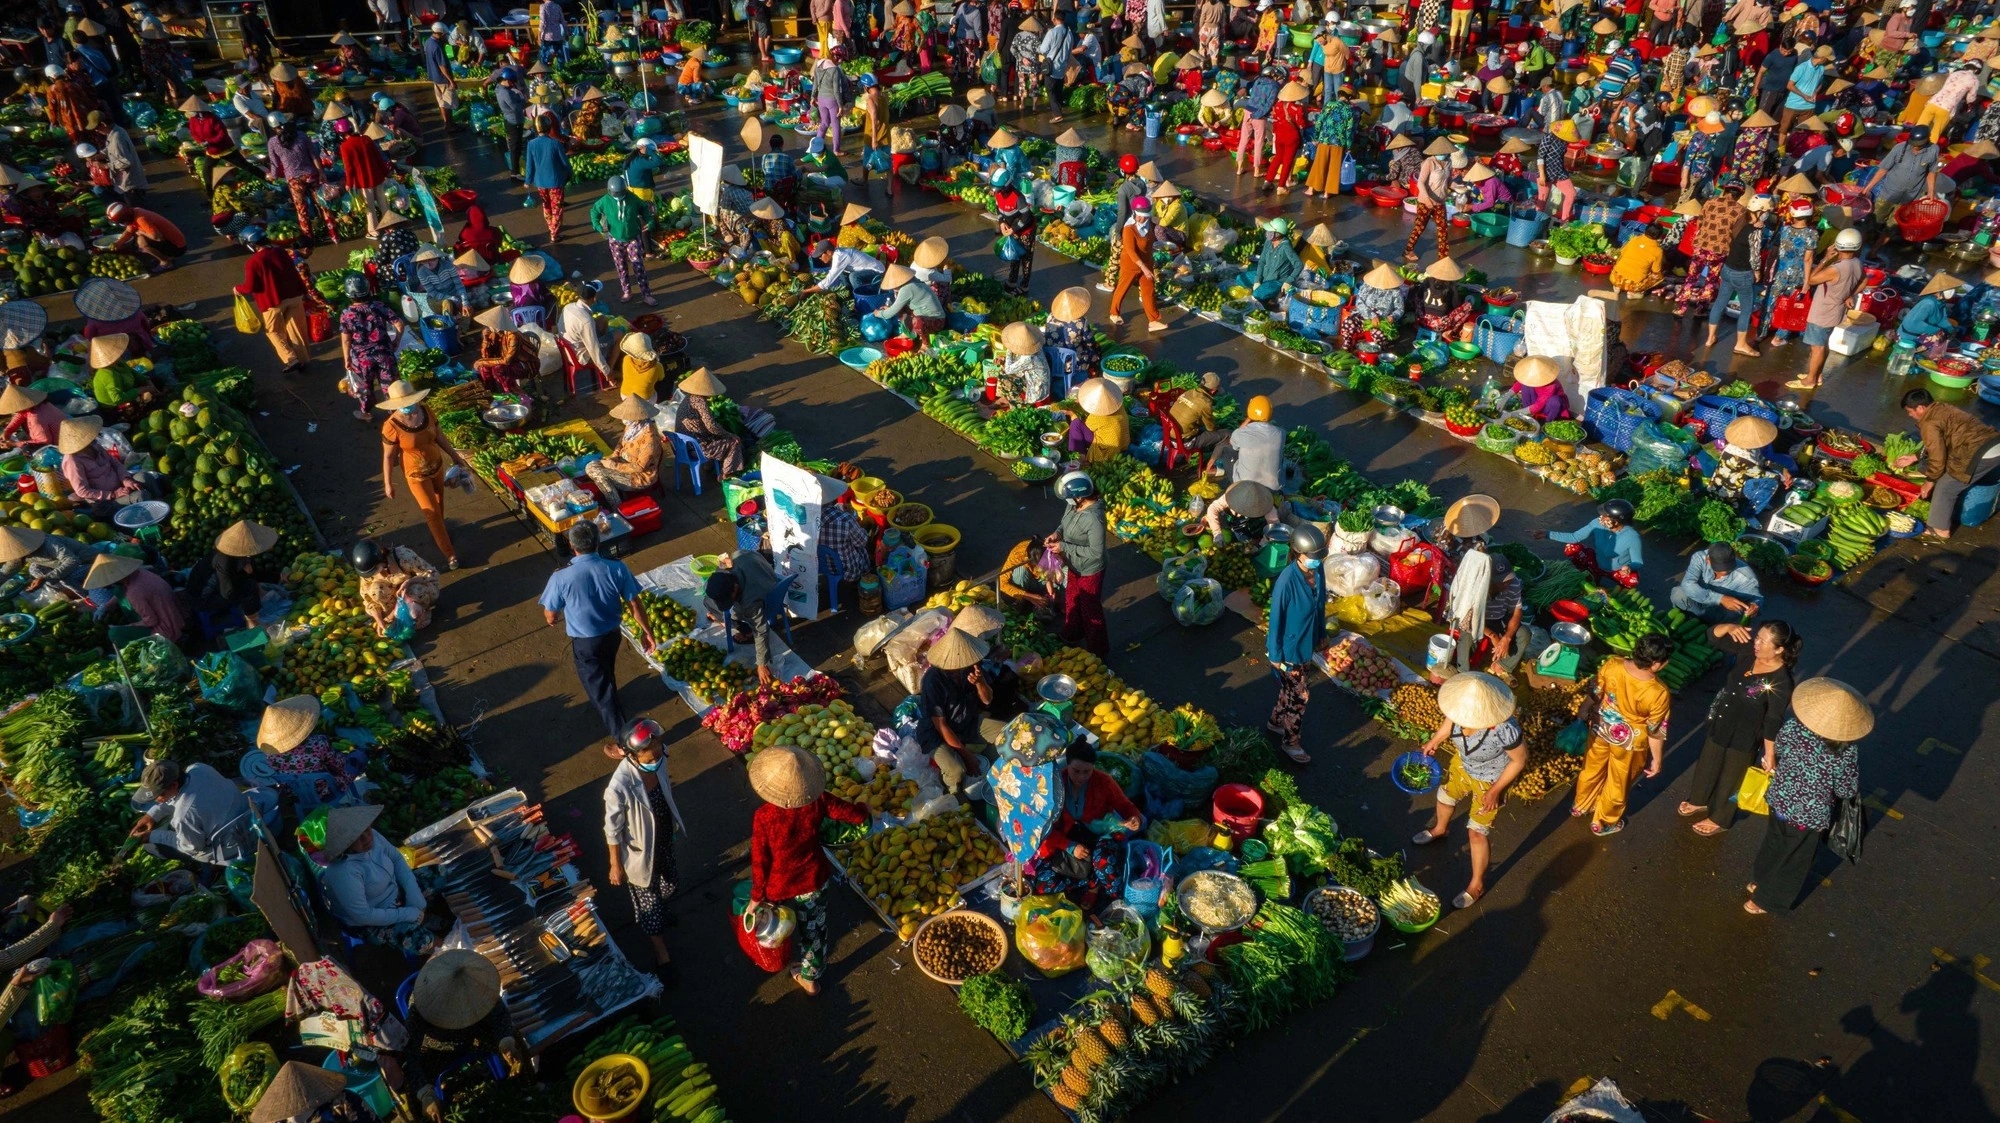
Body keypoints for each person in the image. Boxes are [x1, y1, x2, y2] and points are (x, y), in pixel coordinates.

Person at [748, 745, 865, 994]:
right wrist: (864, 810)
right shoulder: (817, 801)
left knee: (776, 925)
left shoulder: (764, 816)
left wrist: (757, 896)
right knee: (813, 930)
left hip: (778, 885)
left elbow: (761, 860)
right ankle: (810, 978)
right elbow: (851, 814)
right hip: (812, 879)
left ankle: (782, 957)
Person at [1746, 678, 1868, 914]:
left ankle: (1758, 881)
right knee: (1794, 858)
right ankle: (1765, 900)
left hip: (1779, 799)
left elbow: (1779, 750)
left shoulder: (1794, 727)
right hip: (1808, 816)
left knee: (1774, 842)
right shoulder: (1845, 749)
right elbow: (1846, 789)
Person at [1678, 618, 1799, 837]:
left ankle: (1720, 818)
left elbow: (1773, 719)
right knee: (1708, 763)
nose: (1757, 643)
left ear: (1779, 649)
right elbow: (1712, 637)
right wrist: (1729, 627)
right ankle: (1699, 800)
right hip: (1722, 719)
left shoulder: (1782, 681)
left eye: (1763, 641)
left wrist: (1769, 754)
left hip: (1746, 734)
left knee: (1732, 778)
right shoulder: (1748, 652)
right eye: (1758, 637)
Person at [1414, 671, 1527, 907]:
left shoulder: (1504, 729)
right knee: (1445, 796)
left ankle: (1477, 884)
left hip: (1492, 779)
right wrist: (1433, 742)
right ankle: (1440, 829)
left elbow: (1519, 761)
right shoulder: (1458, 710)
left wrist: (1496, 791)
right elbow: (1447, 727)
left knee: (1477, 831)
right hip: (1463, 766)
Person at [542, 521, 655, 747]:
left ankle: (624, 742)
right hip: (612, 636)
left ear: (572, 546)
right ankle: (610, 695)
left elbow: (550, 614)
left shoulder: (561, 577)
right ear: (598, 542)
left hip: (585, 644)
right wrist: (647, 632)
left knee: (600, 692)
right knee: (606, 670)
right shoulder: (616, 568)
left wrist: (554, 618)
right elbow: (634, 603)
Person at [1570, 633, 1675, 837]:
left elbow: (1596, 690)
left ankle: (1581, 804)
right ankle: (1603, 821)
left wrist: (1584, 709)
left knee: (1591, 767)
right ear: (1655, 664)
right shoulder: (1658, 692)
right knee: (1618, 780)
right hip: (1628, 742)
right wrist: (1657, 759)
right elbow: (1655, 730)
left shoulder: (1613, 664)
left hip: (1600, 727)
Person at [603, 717, 685, 976]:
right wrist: (615, 865)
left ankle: (662, 910)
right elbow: (612, 830)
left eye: (659, 752)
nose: (657, 760)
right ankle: (662, 955)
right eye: (650, 758)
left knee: (668, 882)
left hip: (662, 839)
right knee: (649, 905)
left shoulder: (659, 756)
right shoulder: (618, 787)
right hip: (638, 854)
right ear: (632, 756)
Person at [401, 951, 521, 1121]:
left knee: (516, 1045)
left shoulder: (478, 983)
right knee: (411, 1088)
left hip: (474, 1033)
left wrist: (506, 1043)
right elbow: (409, 1052)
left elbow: (499, 1015)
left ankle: (522, 1091)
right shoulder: (422, 1005)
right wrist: (425, 1094)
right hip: (437, 1046)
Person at [1022, 740, 1143, 906]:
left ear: (1094, 767)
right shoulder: (1054, 784)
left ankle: (1099, 888)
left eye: (1087, 771)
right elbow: (1042, 827)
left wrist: (1134, 818)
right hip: (1068, 838)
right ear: (1067, 765)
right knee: (1042, 883)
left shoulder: (1104, 782)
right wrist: (1070, 846)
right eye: (1076, 771)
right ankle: (1092, 881)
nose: (1081, 777)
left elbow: (1125, 806)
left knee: (1104, 863)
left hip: (1100, 836)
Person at [311, 803, 435, 954]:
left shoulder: (373, 836)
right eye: (357, 837)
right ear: (345, 844)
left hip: (394, 892)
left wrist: (412, 892)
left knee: (440, 871)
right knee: (423, 941)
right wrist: (408, 913)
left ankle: (424, 919)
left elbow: (396, 858)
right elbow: (364, 915)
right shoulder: (343, 872)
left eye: (367, 829)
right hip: (370, 920)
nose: (366, 838)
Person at [1265, 523, 1330, 765]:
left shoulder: (1318, 569)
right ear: (1297, 553)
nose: (1316, 561)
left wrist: (1321, 633)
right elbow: (1276, 619)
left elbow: (1319, 604)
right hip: (1289, 650)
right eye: (1311, 557)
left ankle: (1274, 723)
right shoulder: (1286, 581)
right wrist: (1275, 653)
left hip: (1307, 643)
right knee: (1300, 696)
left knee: (1290, 691)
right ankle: (1291, 742)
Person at [1897, 387, 2000, 540]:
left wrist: (1930, 481)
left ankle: (1940, 529)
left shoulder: (1929, 423)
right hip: (1993, 443)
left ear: (1920, 408)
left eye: (1910, 411)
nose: (1909, 415)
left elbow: (1938, 456)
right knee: (1944, 475)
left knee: (1945, 487)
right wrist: (1915, 456)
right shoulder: (1942, 408)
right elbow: (1940, 444)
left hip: (1981, 453)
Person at [919, 626, 1005, 793]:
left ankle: (992, 766)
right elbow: (941, 727)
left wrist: (980, 682)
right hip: (936, 735)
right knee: (957, 771)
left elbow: (987, 700)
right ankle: (954, 793)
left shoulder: (971, 667)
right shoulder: (933, 681)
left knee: (1006, 733)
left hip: (966, 723)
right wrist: (968, 757)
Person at [128, 759, 253, 873]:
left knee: (152, 847)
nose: (157, 800)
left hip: (234, 843)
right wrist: (152, 815)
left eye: (159, 795)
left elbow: (191, 848)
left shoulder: (183, 817)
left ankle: (216, 864)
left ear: (174, 785)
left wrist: (152, 836)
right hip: (248, 815)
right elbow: (184, 796)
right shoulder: (198, 768)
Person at [1789, 227, 1866, 391]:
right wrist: (1849, 294)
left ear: (1837, 246)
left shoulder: (1835, 269)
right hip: (1836, 311)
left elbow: (1810, 280)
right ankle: (1817, 375)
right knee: (1824, 343)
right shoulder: (1857, 263)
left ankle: (1810, 380)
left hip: (1822, 313)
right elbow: (1865, 281)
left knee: (1817, 347)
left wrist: (1825, 259)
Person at [1048, 471, 1108, 655]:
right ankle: (1072, 633)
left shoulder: (1094, 519)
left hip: (1090, 570)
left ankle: (1098, 651)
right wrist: (1056, 534)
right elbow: (1063, 524)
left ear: (1080, 496)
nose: (1068, 501)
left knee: (1090, 610)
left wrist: (1064, 546)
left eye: (1070, 497)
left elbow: (1096, 553)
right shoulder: (1074, 506)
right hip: (1073, 565)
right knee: (1072, 599)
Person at [239, 229, 310, 372]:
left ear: (252, 244)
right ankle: (303, 360)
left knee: (274, 332)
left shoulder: (252, 262)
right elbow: (294, 273)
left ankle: (291, 359)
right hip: (294, 296)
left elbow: (250, 286)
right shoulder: (281, 252)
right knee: (297, 330)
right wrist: (305, 291)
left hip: (272, 303)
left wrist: (238, 289)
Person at [190, 519, 276, 637]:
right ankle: (253, 623)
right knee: (249, 587)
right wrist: (245, 577)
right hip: (204, 599)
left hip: (222, 587)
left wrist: (279, 577)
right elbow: (228, 592)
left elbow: (254, 572)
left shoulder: (240, 555)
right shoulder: (223, 561)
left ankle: (254, 608)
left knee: (250, 582)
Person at [336, 275, 401, 419]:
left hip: (361, 359)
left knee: (364, 387)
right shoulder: (379, 306)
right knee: (390, 385)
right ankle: (395, 415)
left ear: (348, 295)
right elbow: (399, 324)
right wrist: (396, 340)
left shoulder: (346, 314)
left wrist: (347, 359)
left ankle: (366, 413)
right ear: (368, 290)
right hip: (384, 353)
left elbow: (346, 340)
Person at [1539, 499, 1644, 587]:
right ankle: (1589, 572)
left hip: (1616, 570)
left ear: (1615, 521)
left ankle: (1615, 589)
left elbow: (1637, 561)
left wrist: (1629, 567)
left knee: (1632, 581)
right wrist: (1547, 534)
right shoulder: (1597, 523)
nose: (1600, 518)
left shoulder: (1632, 537)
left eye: (1604, 516)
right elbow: (1574, 537)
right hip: (1596, 562)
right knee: (1571, 547)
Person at [352, 538, 439, 638]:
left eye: (375, 569)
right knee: (376, 590)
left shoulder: (403, 557)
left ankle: (424, 613)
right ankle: (397, 615)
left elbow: (432, 573)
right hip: (394, 598)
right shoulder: (367, 573)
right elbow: (367, 599)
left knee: (414, 597)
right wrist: (379, 619)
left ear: (381, 559)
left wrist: (409, 581)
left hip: (416, 592)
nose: (374, 574)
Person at [58, 416, 145, 514]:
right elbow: (82, 491)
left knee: (145, 477)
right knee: (140, 496)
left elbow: (115, 463)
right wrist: (113, 494)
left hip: (122, 487)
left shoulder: (95, 446)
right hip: (104, 501)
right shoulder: (72, 461)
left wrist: (126, 479)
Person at [587, 396, 664, 501]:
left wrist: (613, 465)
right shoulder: (631, 427)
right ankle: (612, 496)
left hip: (639, 476)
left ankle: (616, 505)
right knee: (591, 466)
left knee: (598, 473)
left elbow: (640, 467)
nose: (624, 419)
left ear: (637, 418)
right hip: (622, 462)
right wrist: (614, 456)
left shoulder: (650, 438)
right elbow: (620, 444)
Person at [673, 366, 746, 477]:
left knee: (714, 437)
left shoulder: (688, 398)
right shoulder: (699, 401)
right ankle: (727, 474)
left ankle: (709, 466)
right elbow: (711, 426)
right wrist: (730, 435)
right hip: (695, 448)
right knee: (733, 443)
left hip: (681, 445)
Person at [1673, 541, 1763, 623]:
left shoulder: (1746, 577)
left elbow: (1757, 598)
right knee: (1678, 593)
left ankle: (1713, 627)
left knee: (1735, 612)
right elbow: (1687, 584)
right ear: (1708, 560)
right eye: (1718, 569)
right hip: (1697, 600)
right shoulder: (1700, 558)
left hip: (1718, 612)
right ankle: (1684, 616)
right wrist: (1720, 599)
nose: (1723, 573)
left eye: (1728, 569)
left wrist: (1754, 606)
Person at [337, 114, 393, 238]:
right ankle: (390, 226)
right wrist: (386, 172)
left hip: (364, 181)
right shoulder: (367, 139)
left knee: (370, 207)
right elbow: (378, 158)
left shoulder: (345, 146)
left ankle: (374, 230)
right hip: (377, 177)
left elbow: (349, 168)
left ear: (341, 134)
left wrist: (349, 184)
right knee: (383, 203)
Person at [523, 113, 571, 244]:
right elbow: (565, 163)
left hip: (540, 182)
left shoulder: (531, 144)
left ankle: (551, 226)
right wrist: (569, 173)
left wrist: (528, 180)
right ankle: (554, 233)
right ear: (549, 127)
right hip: (556, 181)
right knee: (557, 207)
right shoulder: (556, 143)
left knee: (547, 205)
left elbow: (529, 164)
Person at [872, 264, 948, 346]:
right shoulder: (913, 281)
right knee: (902, 308)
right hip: (925, 315)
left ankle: (926, 344)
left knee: (917, 321)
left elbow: (889, 314)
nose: (893, 288)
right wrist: (890, 308)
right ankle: (907, 333)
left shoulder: (907, 288)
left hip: (937, 322)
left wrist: (878, 313)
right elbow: (897, 307)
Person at [1226, 394, 1283, 490]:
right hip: (1273, 487)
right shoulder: (1280, 433)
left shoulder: (1242, 432)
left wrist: (1248, 419)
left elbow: (1232, 443)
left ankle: (1233, 488)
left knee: (1226, 451)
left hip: (1246, 486)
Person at [1536, 120, 1578, 222]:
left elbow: (1560, 157)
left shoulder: (1565, 141)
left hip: (1559, 171)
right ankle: (1536, 221)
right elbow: (1540, 157)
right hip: (1546, 171)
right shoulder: (1548, 138)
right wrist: (1542, 175)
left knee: (1571, 193)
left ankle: (1564, 221)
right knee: (1542, 199)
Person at [1509, 356, 1572, 422]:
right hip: (1538, 402)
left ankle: (1548, 422)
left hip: (1549, 407)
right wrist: (1507, 396)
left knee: (1555, 402)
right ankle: (1528, 414)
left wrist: (1514, 413)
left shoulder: (1551, 385)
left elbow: (1538, 406)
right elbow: (1519, 383)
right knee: (1526, 386)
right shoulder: (1530, 378)